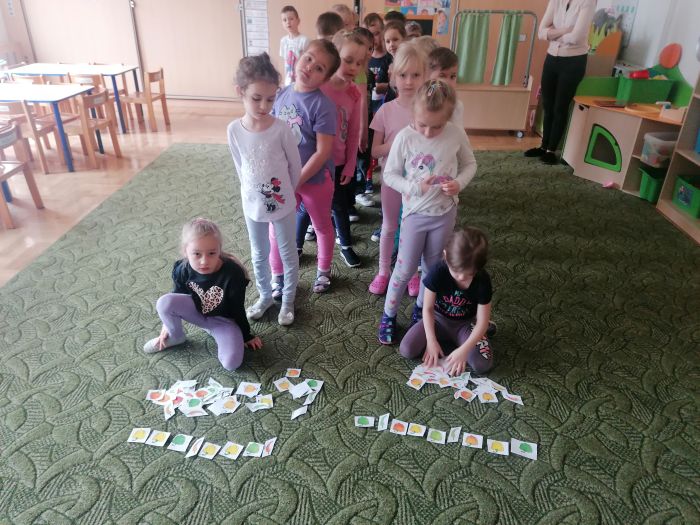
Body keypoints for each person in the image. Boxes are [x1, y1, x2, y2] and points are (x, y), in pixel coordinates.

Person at [378, 80, 477, 345]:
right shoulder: (405, 137)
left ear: (448, 117)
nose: (429, 132)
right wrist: (414, 188)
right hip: (415, 215)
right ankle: (388, 315)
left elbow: (470, 164)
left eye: (437, 126)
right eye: (422, 124)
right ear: (414, 113)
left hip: (444, 214)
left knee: (432, 268)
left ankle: (421, 311)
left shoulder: (455, 134)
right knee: (405, 267)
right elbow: (389, 175)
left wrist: (459, 183)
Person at [227, 53, 301, 326]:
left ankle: (288, 300)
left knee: (287, 252)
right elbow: (240, 166)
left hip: (282, 202)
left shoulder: (281, 129)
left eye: (270, 99)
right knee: (258, 254)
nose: (264, 106)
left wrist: (286, 195)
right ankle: (265, 296)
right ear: (241, 92)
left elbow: (295, 167)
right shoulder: (234, 130)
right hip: (252, 203)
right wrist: (252, 193)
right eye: (256, 98)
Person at [143, 218, 262, 371]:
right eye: (197, 254)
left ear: (219, 250)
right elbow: (177, 296)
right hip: (197, 312)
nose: (204, 261)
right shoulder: (182, 268)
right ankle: (176, 336)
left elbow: (237, 308)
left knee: (231, 363)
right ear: (185, 252)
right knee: (164, 302)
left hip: (223, 321)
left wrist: (246, 335)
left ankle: (215, 332)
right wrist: (167, 327)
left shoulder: (233, 273)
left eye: (212, 253)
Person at [270, 39, 340, 295]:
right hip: (282, 179)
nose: (310, 67)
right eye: (308, 58)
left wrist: (297, 179)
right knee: (276, 227)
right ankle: (278, 276)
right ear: (299, 56)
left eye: (319, 68)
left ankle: (323, 270)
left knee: (321, 226)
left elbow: (322, 151)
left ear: (325, 79)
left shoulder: (323, 105)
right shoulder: (281, 94)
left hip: (315, 181)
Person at [368, 42, 426, 295]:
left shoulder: (427, 111)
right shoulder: (385, 111)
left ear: (424, 77)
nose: (409, 81)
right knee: (390, 226)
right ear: (393, 76)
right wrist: (396, 144)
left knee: (411, 228)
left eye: (416, 75)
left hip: (417, 184)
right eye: (403, 75)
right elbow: (374, 151)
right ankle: (383, 271)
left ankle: (412, 273)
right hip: (392, 181)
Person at [399, 227, 494, 376]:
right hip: (438, 320)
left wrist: (464, 350)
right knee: (407, 349)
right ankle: (448, 340)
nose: (461, 277)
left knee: (482, 364)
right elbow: (428, 309)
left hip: (465, 324)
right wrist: (431, 341)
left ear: (478, 268)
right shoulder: (438, 271)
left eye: (469, 274)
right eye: (456, 271)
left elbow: (482, 321)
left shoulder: (482, 280)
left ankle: (484, 332)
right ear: (445, 256)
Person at [525, 0, 596, 165]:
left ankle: (551, 150)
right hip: (552, 58)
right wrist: (565, 30)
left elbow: (576, 37)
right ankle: (543, 146)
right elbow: (541, 32)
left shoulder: (587, 2)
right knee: (547, 105)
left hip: (574, 61)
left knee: (560, 107)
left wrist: (553, 34)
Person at [428, 47, 464, 127]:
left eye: (452, 76)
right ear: (428, 76)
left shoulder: (457, 106)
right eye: (442, 76)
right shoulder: (423, 102)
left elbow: (459, 130)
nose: (448, 82)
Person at [280, 6, 310, 87]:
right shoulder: (283, 41)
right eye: (284, 20)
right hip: (288, 81)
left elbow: (307, 62)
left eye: (291, 19)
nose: (288, 22)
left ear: (298, 21)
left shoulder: (304, 40)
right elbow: (285, 61)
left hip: (300, 80)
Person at [381, 21, 407, 105]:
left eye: (395, 39)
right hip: (392, 100)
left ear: (404, 39)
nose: (391, 44)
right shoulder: (387, 60)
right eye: (388, 41)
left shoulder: (408, 61)